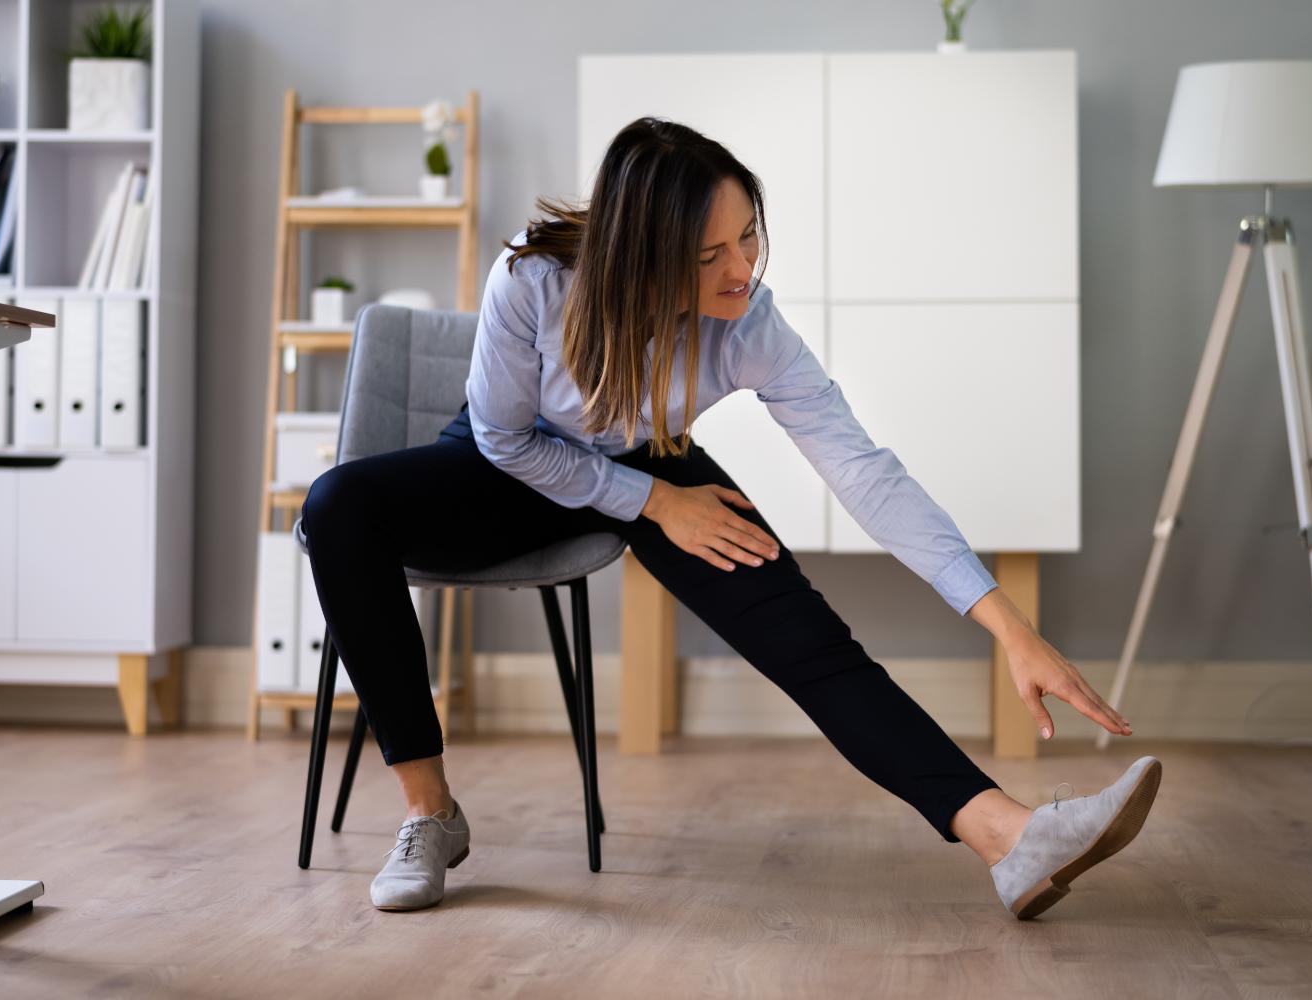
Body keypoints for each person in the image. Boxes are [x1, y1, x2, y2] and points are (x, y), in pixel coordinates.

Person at [299, 117, 1161, 921]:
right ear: (637, 256)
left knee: (810, 640)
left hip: (654, 456)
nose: (740, 269)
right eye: (706, 253)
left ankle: (1006, 836)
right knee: (337, 506)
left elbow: (862, 471)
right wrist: (654, 502)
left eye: (747, 234)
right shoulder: (534, 278)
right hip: (511, 461)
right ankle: (431, 813)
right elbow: (501, 437)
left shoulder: (750, 322)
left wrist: (1005, 622)